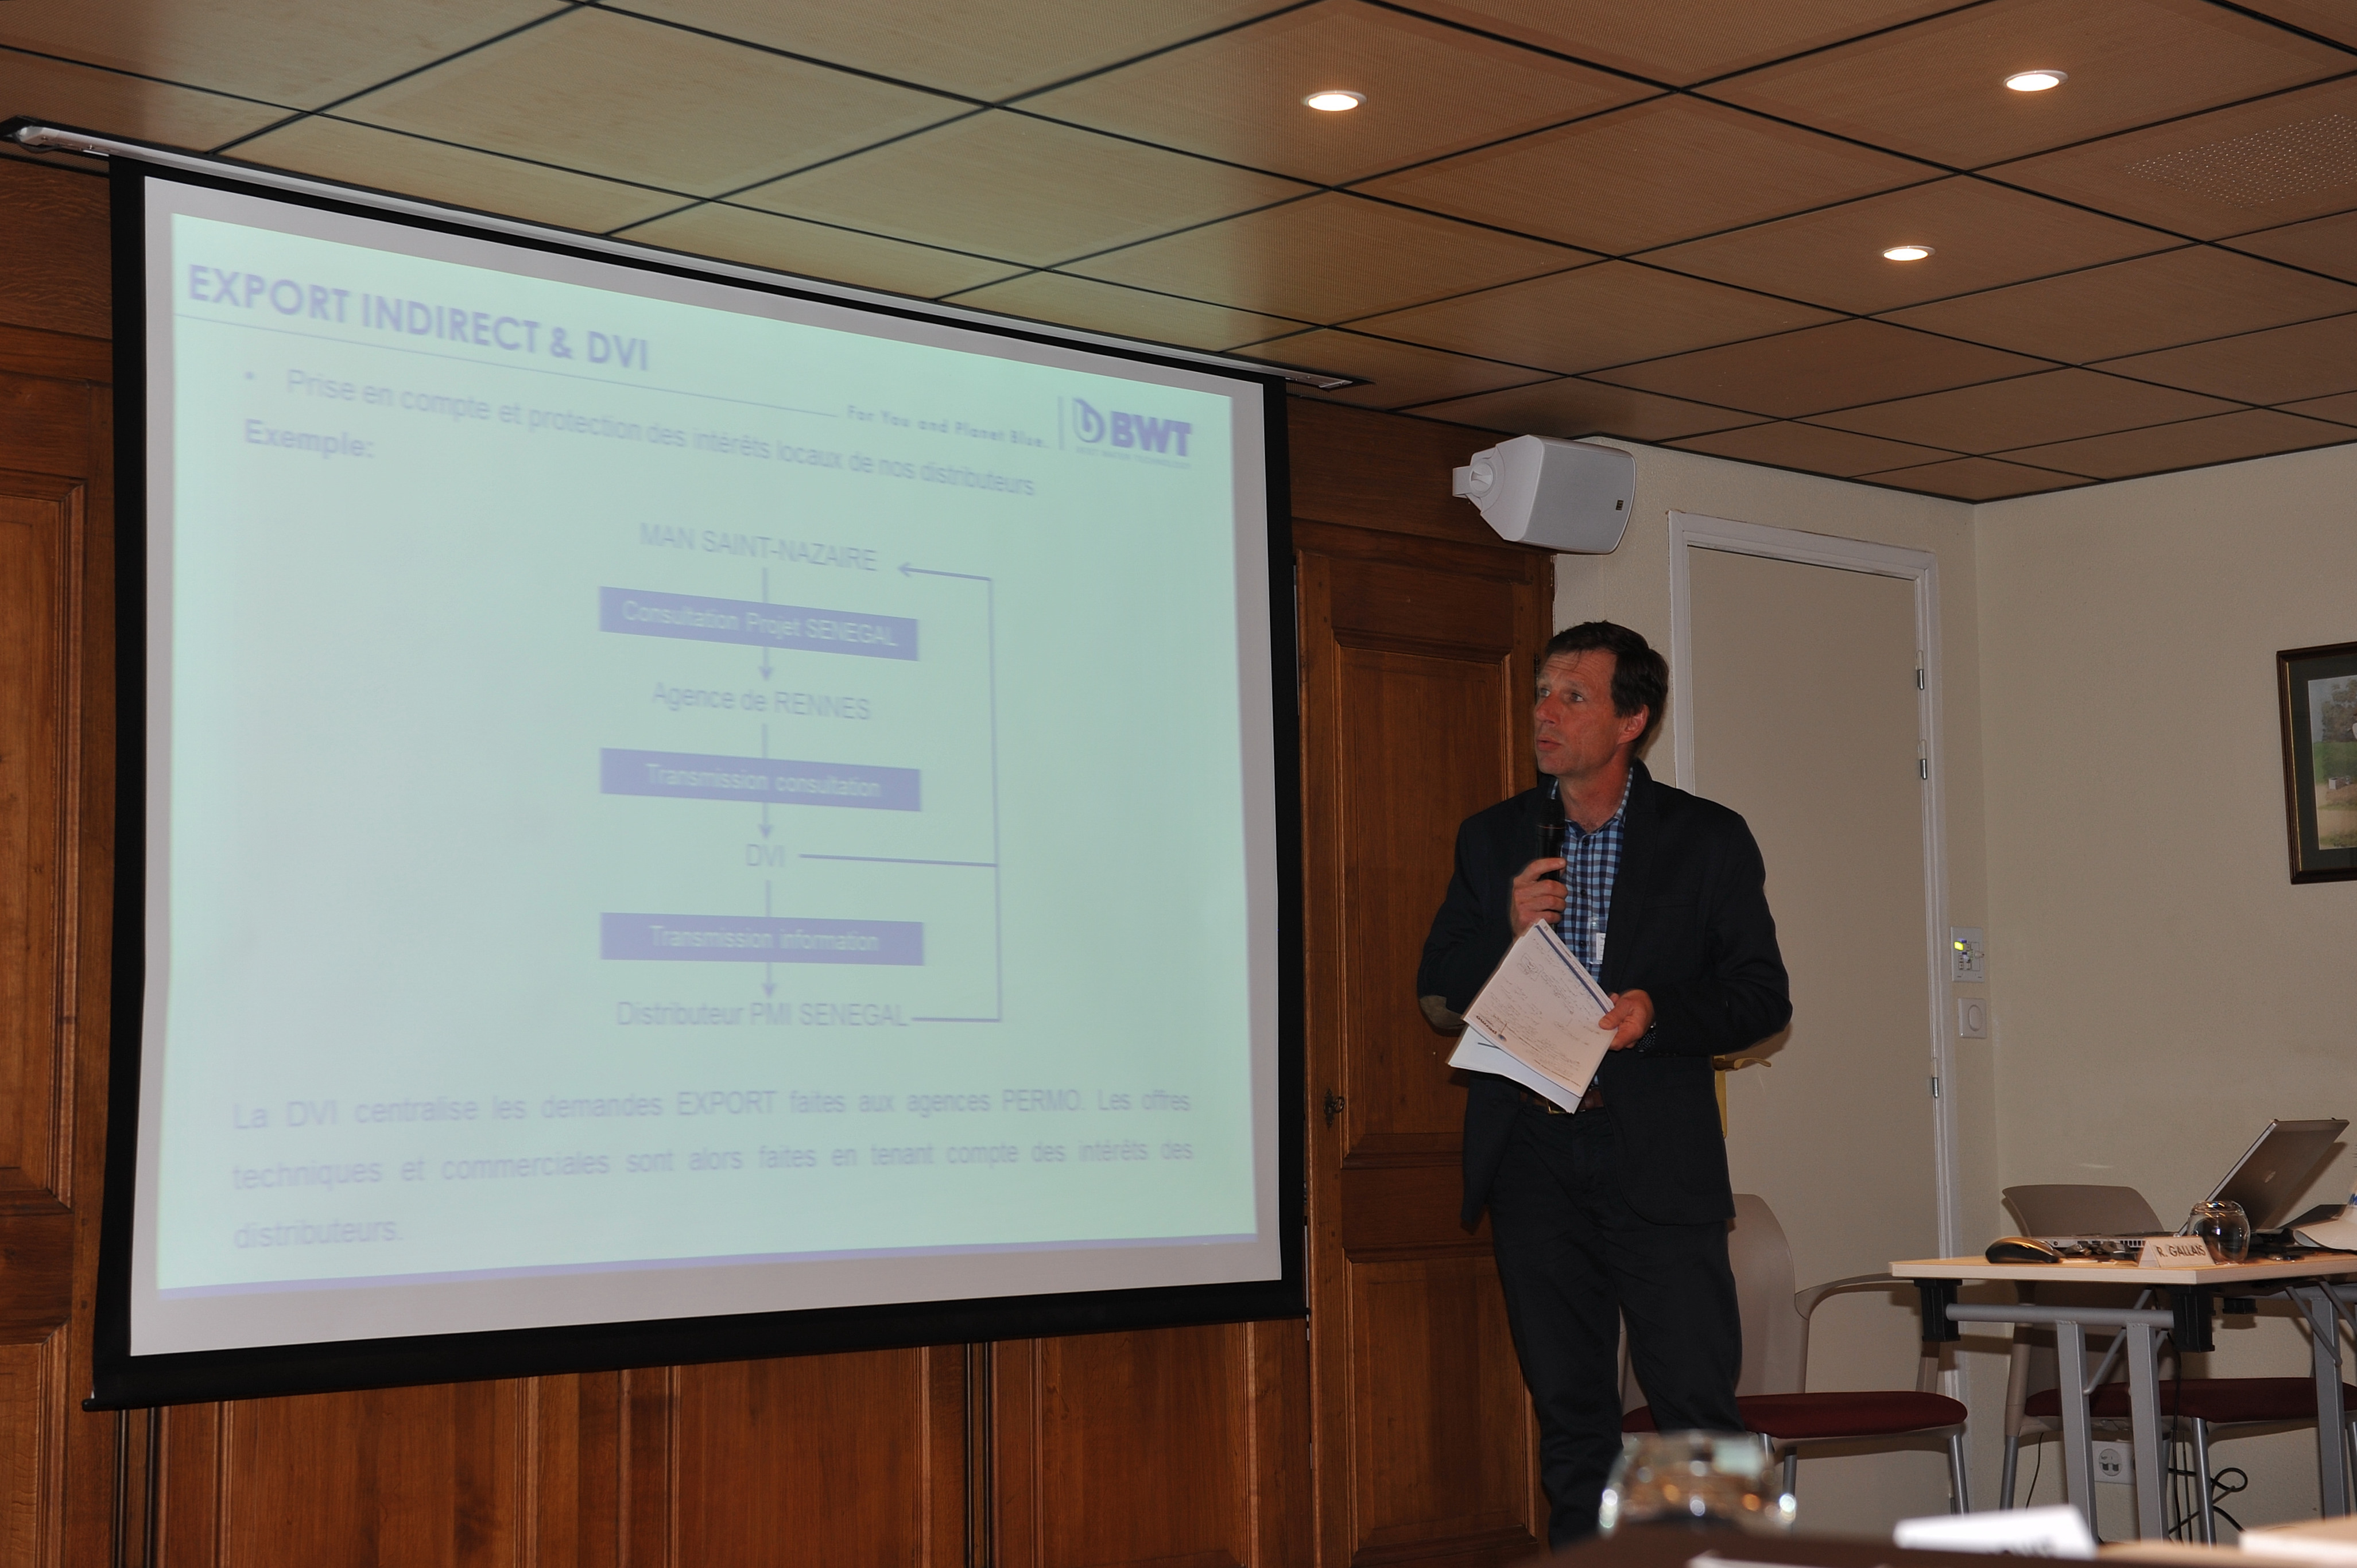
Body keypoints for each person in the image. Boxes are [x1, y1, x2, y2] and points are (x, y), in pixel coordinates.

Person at [1417, 620, 1790, 1548]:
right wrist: (1505, 932)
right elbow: (1435, 994)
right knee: (1571, 1414)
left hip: (1654, 1156)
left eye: (1571, 696)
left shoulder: (1705, 839)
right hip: (1531, 1155)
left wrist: (1656, 1013)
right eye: (1541, 693)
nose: (1544, 713)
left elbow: (1760, 998)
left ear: (1632, 721)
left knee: (1693, 1411)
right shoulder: (1493, 837)